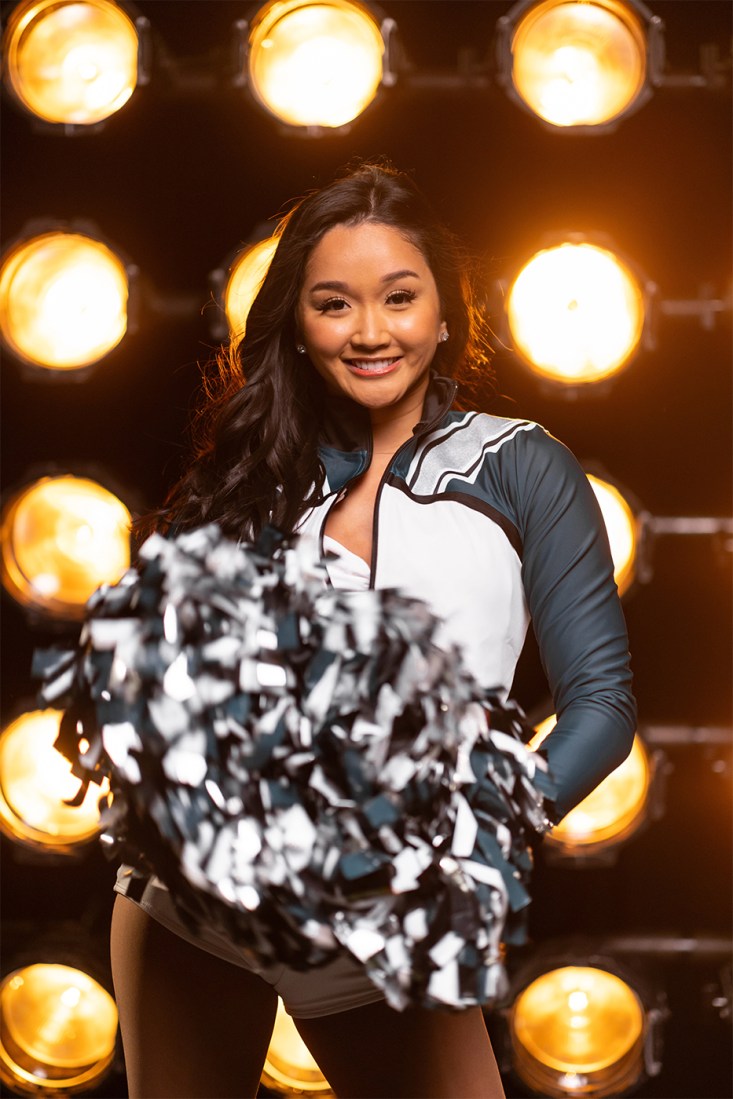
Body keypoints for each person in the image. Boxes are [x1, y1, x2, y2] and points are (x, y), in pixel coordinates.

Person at [110, 160, 636, 1099]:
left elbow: (601, 704)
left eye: (398, 297)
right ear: (299, 327)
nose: (370, 332)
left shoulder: (521, 466)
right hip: (193, 900)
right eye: (333, 304)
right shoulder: (250, 471)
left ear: (443, 314)